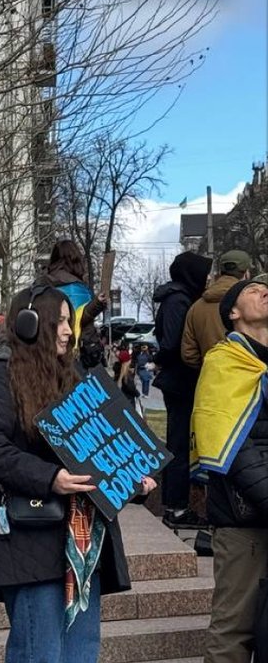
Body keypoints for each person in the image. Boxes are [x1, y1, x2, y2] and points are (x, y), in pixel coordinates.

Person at [0, 285, 150, 663]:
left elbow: (102, 445)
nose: (69, 330)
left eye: (71, 321)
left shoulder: (76, 376)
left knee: (80, 653)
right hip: (29, 537)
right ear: (30, 324)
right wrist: (51, 478)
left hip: (82, 542)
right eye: (62, 321)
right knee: (40, 652)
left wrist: (134, 478)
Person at [191, 276, 268, 663]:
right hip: (244, 518)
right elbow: (228, 445)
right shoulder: (223, 362)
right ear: (233, 312)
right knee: (234, 630)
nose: (264, 292)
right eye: (253, 290)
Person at [152, 251, 214, 528]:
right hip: (180, 381)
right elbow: (172, 344)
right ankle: (176, 507)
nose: (207, 279)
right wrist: (161, 359)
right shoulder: (179, 301)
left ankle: (176, 504)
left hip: (178, 380)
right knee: (179, 444)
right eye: (204, 274)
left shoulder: (178, 298)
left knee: (179, 442)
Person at [42, 240, 108, 368]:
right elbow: (78, 318)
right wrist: (97, 304)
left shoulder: (40, 283)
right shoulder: (77, 287)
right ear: (75, 259)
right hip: (74, 351)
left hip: (45, 348)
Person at [183, 250, 253, 369]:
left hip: (212, 376)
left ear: (220, 272)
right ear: (246, 273)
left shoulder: (196, 307)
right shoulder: (255, 302)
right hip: (251, 376)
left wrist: (210, 368)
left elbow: (188, 353)